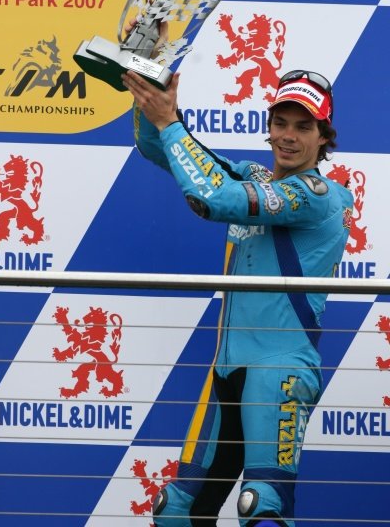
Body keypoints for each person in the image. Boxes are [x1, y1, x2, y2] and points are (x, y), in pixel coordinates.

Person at [122, 53, 353, 526]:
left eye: (304, 127)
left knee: (261, 507)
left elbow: (215, 199)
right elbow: (157, 146)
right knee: (176, 512)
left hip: (280, 371)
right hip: (224, 374)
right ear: (268, 127)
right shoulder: (256, 176)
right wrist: (151, 78)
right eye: (281, 122)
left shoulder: (318, 196)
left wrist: (171, 124)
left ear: (324, 138)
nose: (288, 136)